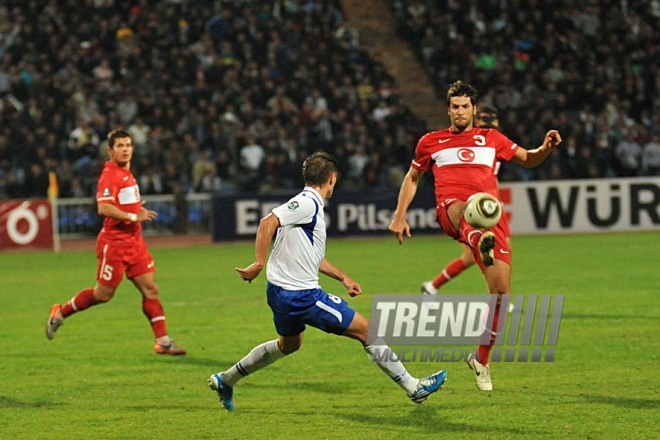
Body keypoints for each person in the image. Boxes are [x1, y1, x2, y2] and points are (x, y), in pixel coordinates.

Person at [209, 151, 447, 411]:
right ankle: (413, 387)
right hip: (302, 296)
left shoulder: (305, 206)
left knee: (289, 345)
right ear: (332, 179)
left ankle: (227, 379)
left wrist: (343, 277)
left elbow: (312, 256)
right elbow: (268, 222)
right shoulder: (308, 203)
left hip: (279, 291)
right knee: (368, 331)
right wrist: (258, 262)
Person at [389, 81, 561, 391]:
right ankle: (478, 241)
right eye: (454, 107)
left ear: (473, 110)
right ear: (448, 110)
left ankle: (481, 359)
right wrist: (400, 214)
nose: (459, 111)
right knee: (470, 207)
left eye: (464, 106)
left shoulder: (492, 139)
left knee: (500, 293)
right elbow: (413, 177)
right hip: (452, 210)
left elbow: (529, 158)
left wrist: (546, 148)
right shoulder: (431, 142)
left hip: (489, 220)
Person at [45, 129, 186, 355]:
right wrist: (133, 216)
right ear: (110, 151)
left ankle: (163, 341)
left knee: (151, 289)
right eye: (120, 146)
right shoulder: (110, 174)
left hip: (135, 243)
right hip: (115, 244)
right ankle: (60, 312)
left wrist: (136, 209)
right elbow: (104, 207)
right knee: (103, 295)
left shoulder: (127, 174)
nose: (125, 149)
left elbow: (123, 204)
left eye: (128, 145)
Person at [420, 105, 512, 295]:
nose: (488, 122)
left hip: (490, 204)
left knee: (497, 251)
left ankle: (433, 287)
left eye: (492, 118)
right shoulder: (470, 143)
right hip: (471, 206)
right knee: (474, 255)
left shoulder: (495, 144)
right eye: (484, 118)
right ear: (476, 120)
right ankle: (433, 286)